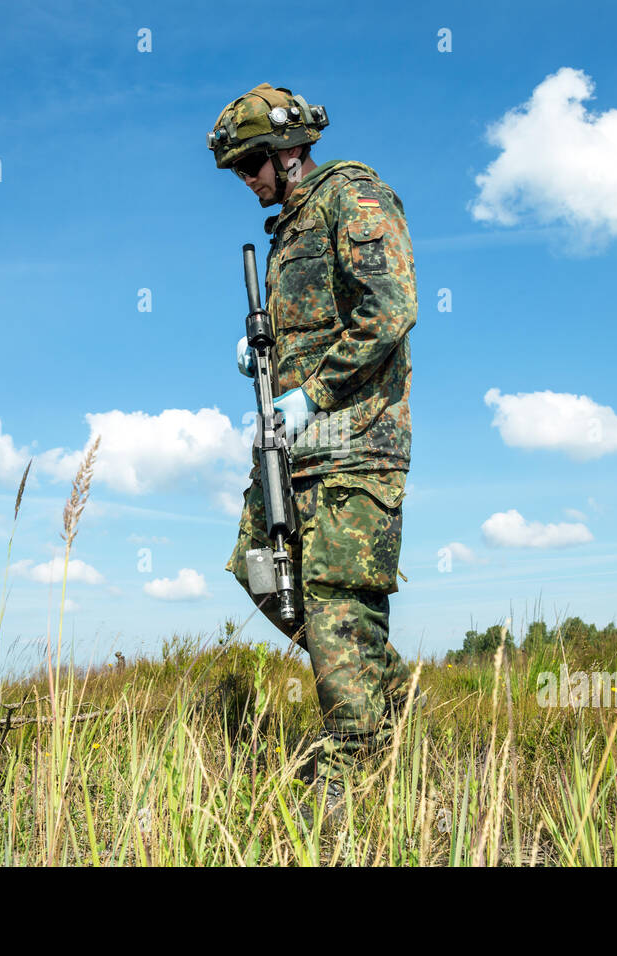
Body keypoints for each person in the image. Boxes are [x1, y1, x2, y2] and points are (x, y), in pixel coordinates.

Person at [210, 84, 422, 818]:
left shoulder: (351, 196)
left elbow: (389, 309)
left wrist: (315, 393)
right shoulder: (286, 229)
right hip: (296, 449)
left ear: (282, 152)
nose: (247, 181)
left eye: (249, 166)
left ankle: (352, 785)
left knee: (333, 603)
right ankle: (384, 694)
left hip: (355, 441)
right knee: (258, 568)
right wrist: (266, 354)